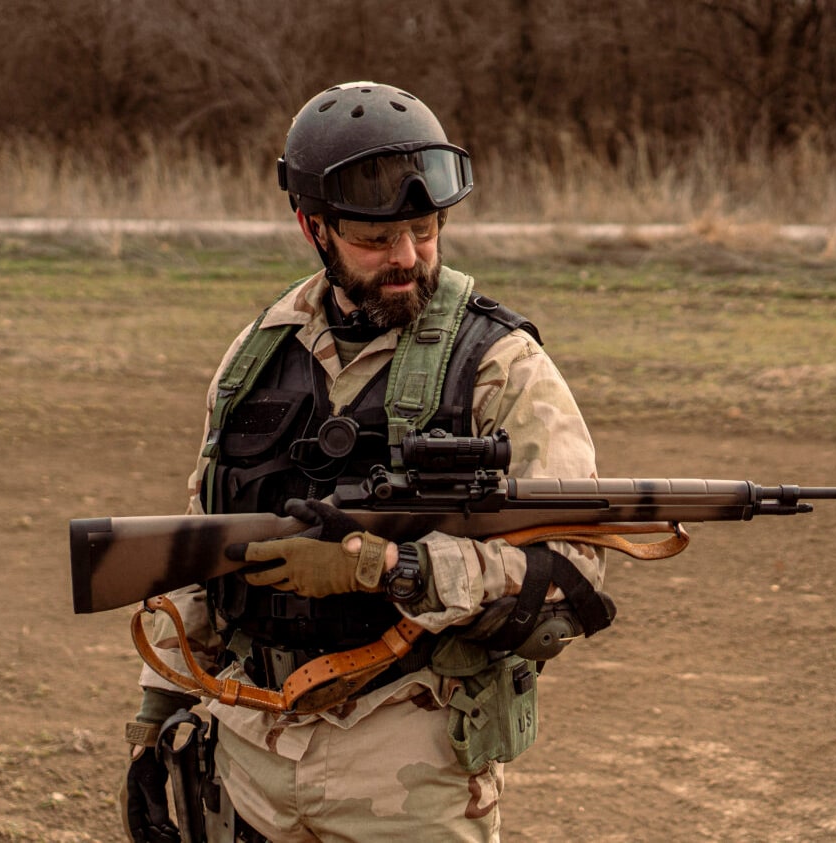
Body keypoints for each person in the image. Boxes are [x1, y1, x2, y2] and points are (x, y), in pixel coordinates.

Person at [121, 81, 609, 843]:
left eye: (424, 230)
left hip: (410, 771)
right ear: (313, 227)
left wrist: (390, 566)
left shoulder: (500, 365)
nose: (407, 258)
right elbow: (199, 543)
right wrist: (157, 716)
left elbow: (572, 575)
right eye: (376, 239)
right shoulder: (258, 355)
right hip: (250, 756)